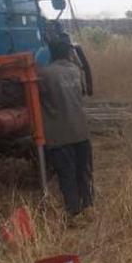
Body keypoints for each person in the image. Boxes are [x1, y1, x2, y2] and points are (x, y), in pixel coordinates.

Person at [38, 33, 93, 218]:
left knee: (66, 174)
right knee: (83, 170)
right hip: (81, 131)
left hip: (59, 136)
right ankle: (88, 204)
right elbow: (84, 92)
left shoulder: (44, 74)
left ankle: (73, 210)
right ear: (68, 52)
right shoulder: (76, 71)